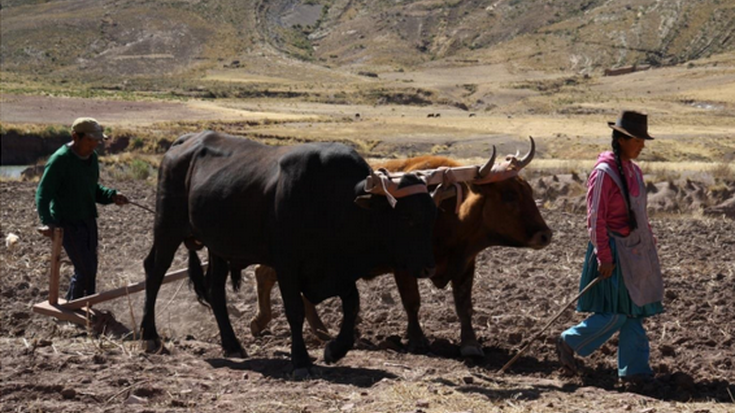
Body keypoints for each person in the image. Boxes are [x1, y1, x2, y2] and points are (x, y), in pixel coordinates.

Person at [556, 110, 664, 384]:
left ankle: (635, 371)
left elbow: (640, 215)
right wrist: (603, 256)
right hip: (612, 253)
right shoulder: (604, 172)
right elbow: (595, 218)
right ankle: (569, 341)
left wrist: (649, 247)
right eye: (638, 140)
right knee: (616, 314)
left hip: (635, 252)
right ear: (622, 139)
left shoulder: (634, 170)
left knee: (633, 312)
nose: (642, 145)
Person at [36, 117, 128, 300]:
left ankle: (84, 307)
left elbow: (92, 190)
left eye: (97, 140)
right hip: (67, 222)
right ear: (75, 137)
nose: (94, 144)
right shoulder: (60, 160)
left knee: (90, 269)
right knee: (84, 269)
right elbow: (43, 193)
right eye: (90, 140)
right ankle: (75, 307)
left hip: (88, 220)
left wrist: (111, 195)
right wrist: (48, 221)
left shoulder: (92, 158)